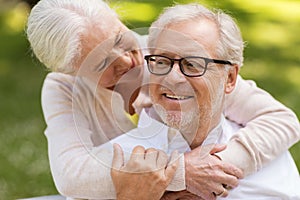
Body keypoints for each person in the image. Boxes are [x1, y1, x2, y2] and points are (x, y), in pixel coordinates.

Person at [25, 0, 300, 199]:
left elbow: (281, 120)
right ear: (74, 73)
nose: (127, 59)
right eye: (102, 63)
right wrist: (179, 175)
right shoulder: (63, 89)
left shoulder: (167, 55)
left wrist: (216, 171)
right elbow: (72, 175)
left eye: (121, 38)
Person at [110, 3, 300, 199]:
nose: (173, 78)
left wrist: (218, 168)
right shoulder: (113, 163)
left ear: (230, 78)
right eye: (163, 61)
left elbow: (283, 120)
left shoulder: (269, 157)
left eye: (193, 64)